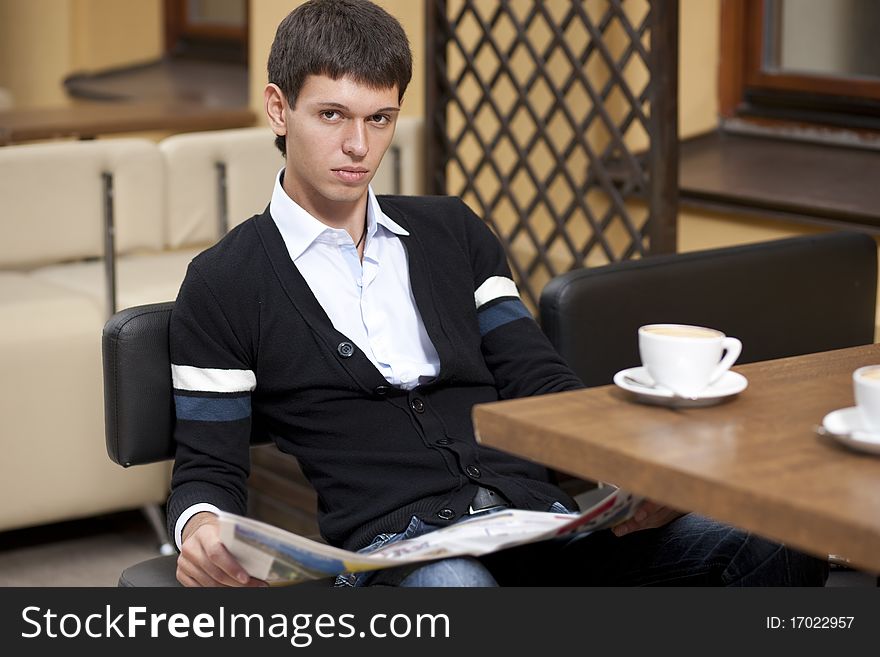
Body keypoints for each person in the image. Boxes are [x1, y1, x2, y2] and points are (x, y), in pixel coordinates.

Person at [168, 0, 828, 587]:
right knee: (456, 587)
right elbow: (209, 469)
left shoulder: (453, 232)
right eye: (332, 114)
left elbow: (537, 375)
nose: (357, 145)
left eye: (380, 118)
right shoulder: (226, 282)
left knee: (772, 534)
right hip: (404, 557)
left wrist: (633, 472)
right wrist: (201, 530)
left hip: (545, 529)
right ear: (279, 107)